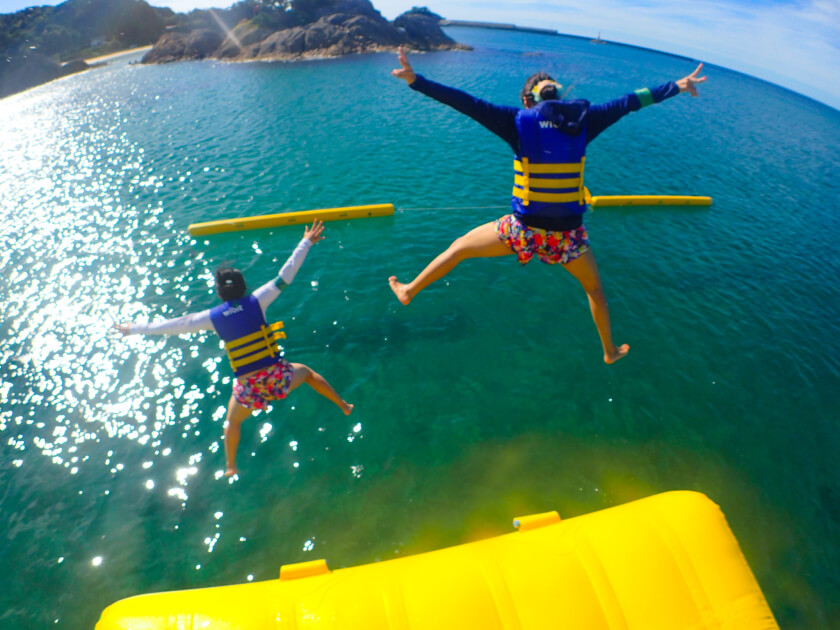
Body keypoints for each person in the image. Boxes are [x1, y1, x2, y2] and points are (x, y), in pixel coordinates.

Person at [388, 48, 706, 364]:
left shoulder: (516, 121)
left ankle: (409, 290)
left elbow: (466, 104)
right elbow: (630, 102)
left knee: (459, 248)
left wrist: (417, 80)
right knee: (594, 290)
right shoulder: (585, 121)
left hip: (522, 232)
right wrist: (677, 86)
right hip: (568, 239)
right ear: (558, 97)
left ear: (528, 101)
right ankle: (609, 350)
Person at [115, 220, 353, 477]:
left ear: (219, 293)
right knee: (306, 373)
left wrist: (135, 328)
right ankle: (343, 405)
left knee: (232, 423)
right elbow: (285, 276)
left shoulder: (211, 318)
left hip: (249, 389)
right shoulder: (257, 301)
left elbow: (177, 325)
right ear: (244, 287)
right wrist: (306, 242)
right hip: (277, 379)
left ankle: (230, 465)